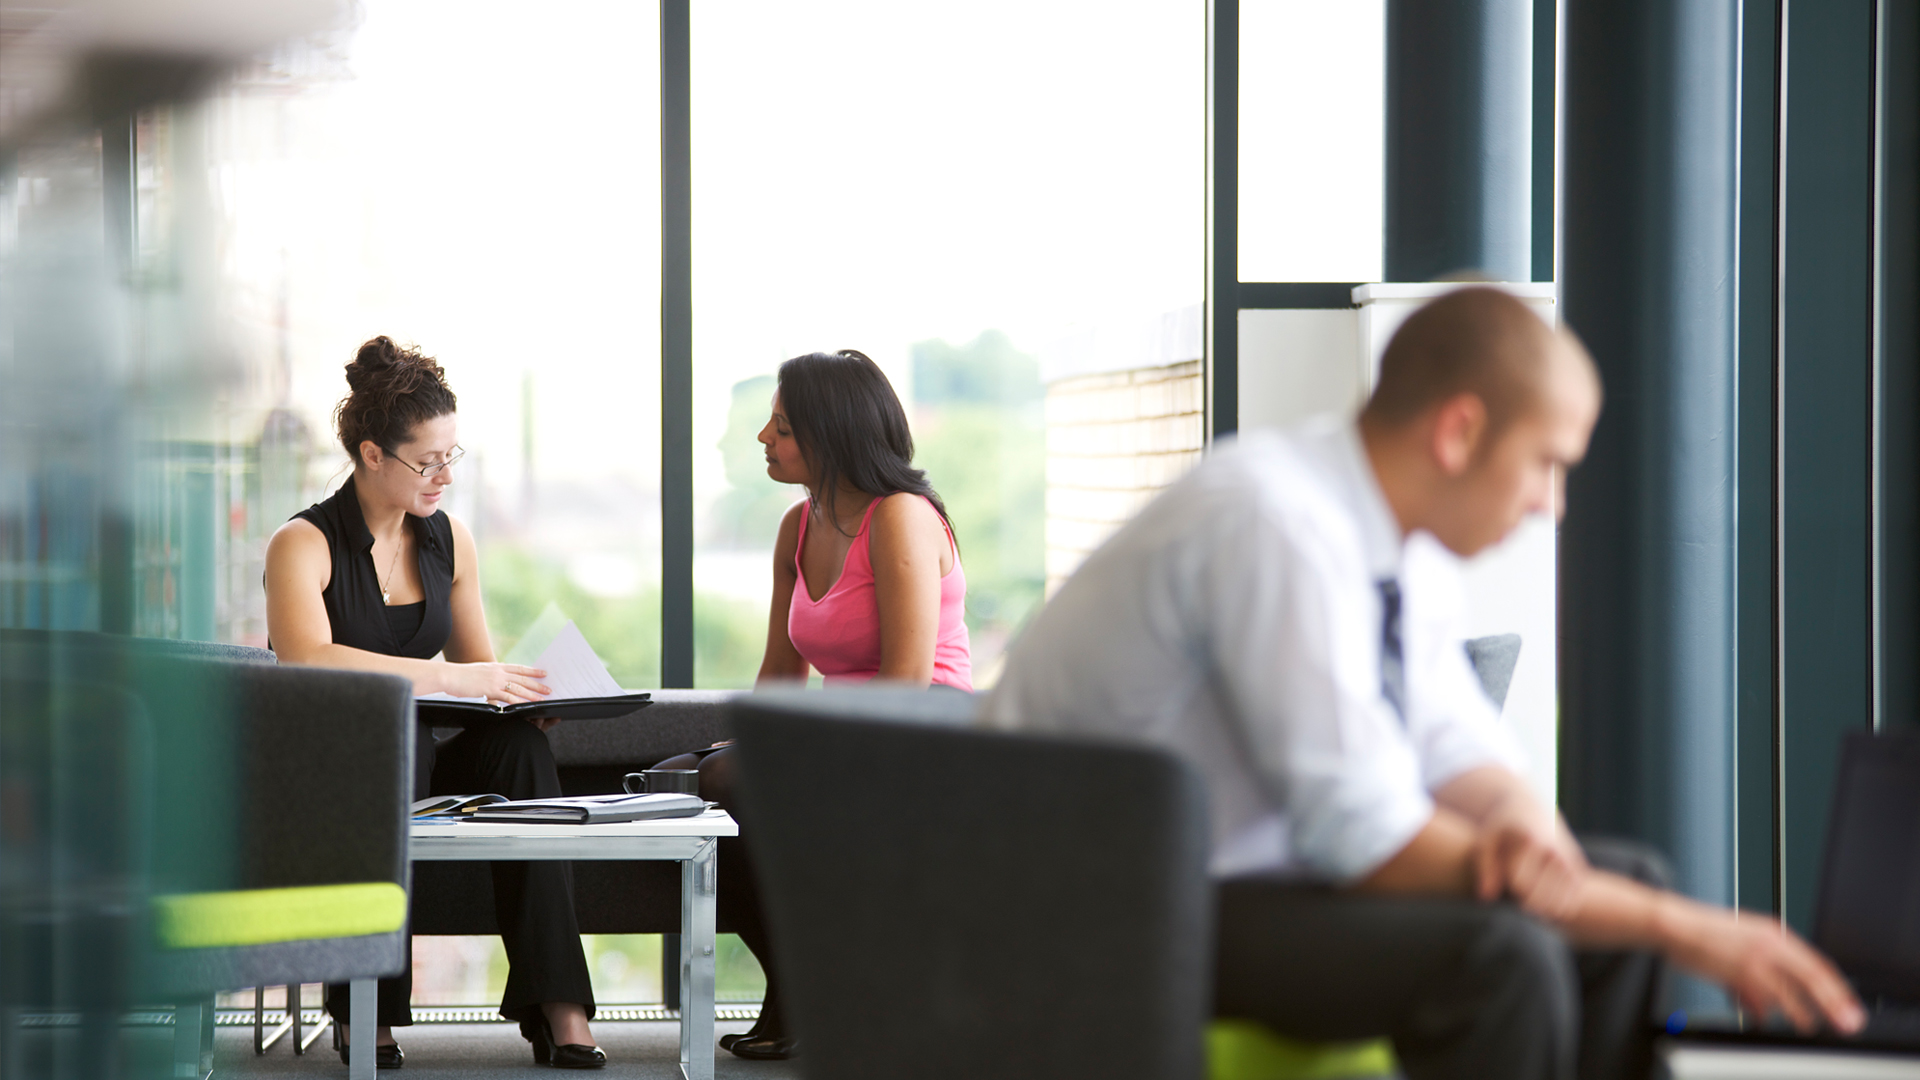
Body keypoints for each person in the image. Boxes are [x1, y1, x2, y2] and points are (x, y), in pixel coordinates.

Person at [981, 288, 1863, 1080]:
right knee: (1503, 957)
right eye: (1547, 463)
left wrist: (1524, 824)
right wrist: (1684, 927)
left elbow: (1456, 742)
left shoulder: (1400, 548)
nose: (1552, 503)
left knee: (1625, 877)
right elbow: (1360, 832)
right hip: (1106, 904)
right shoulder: (1274, 524)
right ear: (1459, 432)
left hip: (1239, 877)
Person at [264, 336, 607, 1070]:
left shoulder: (449, 539)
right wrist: (452, 680)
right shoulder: (303, 543)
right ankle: (368, 1008)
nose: (446, 475)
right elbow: (308, 660)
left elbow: (479, 666)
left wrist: (519, 697)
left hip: (419, 756)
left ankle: (559, 1005)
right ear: (373, 454)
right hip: (340, 765)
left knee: (520, 749)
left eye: (454, 456)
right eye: (429, 460)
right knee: (399, 740)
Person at [654, 349, 972, 1060]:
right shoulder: (798, 527)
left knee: (722, 783)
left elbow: (908, 680)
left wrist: (777, 761)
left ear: (833, 437)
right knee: (676, 789)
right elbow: (780, 672)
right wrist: (754, 746)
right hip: (838, 736)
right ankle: (801, 980)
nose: (764, 439)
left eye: (782, 428)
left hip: (921, 736)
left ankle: (807, 992)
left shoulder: (901, 519)